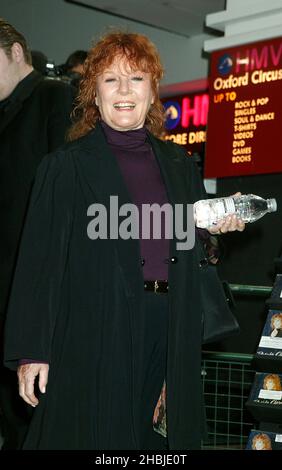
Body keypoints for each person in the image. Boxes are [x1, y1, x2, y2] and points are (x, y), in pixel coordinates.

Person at [3, 30, 244, 450]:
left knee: (154, 448)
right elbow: (38, 264)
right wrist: (31, 352)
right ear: (94, 95)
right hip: (95, 326)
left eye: (136, 79)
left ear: (152, 93)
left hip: (170, 326)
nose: (124, 90)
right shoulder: (64, 167)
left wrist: (214, 229)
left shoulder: (180, 165)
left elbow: (192, 244)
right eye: (110, 80)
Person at [0, 18, 75, 449]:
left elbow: (68, 195)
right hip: (10, 288)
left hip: (34, 291)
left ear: (15, 52)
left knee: (35, 420)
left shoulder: (54, 96)